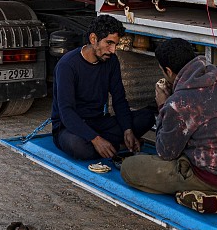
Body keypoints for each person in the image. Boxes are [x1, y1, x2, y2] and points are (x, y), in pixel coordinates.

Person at [120, 38, 217, 194]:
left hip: (214, 178)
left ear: (168, 71)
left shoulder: (178, 103)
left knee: (129, 168)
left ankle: (189, 187)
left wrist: (163, 105)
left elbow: (165, 152)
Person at [50, 15, 155, 160]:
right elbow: (66, 113)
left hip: (98, 122)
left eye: (115, 45)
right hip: (70, 127)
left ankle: (111, 146)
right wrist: (95, 139)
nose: (112, 50)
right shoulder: (67, 66)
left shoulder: (111, 61)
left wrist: (127, 130)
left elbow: (119, 99)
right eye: (109, 43)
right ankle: (116, 147)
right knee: (79, 147)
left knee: (147, 117)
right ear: (93, 39)